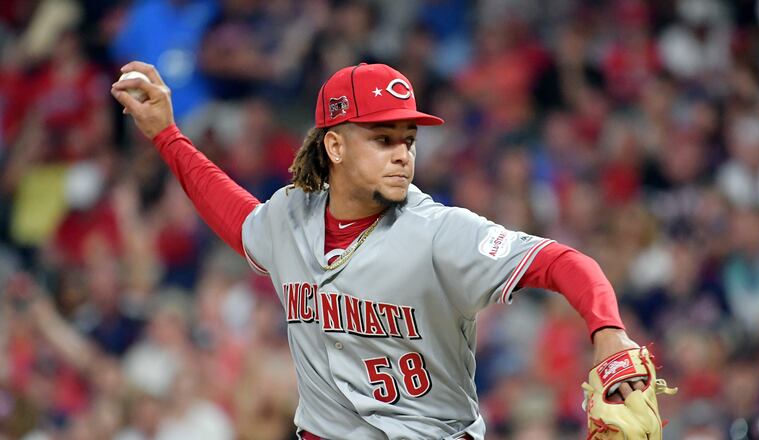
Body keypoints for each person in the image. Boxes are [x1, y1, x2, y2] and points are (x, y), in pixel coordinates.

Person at [111, 61, 650, 440]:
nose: (402, 156)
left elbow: (565, 263)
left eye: (408, 140)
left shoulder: (440, 233)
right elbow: (235, 216)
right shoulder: (289, 217)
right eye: (383, 139)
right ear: (336, 145)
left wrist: (608, 331)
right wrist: (167, 136)